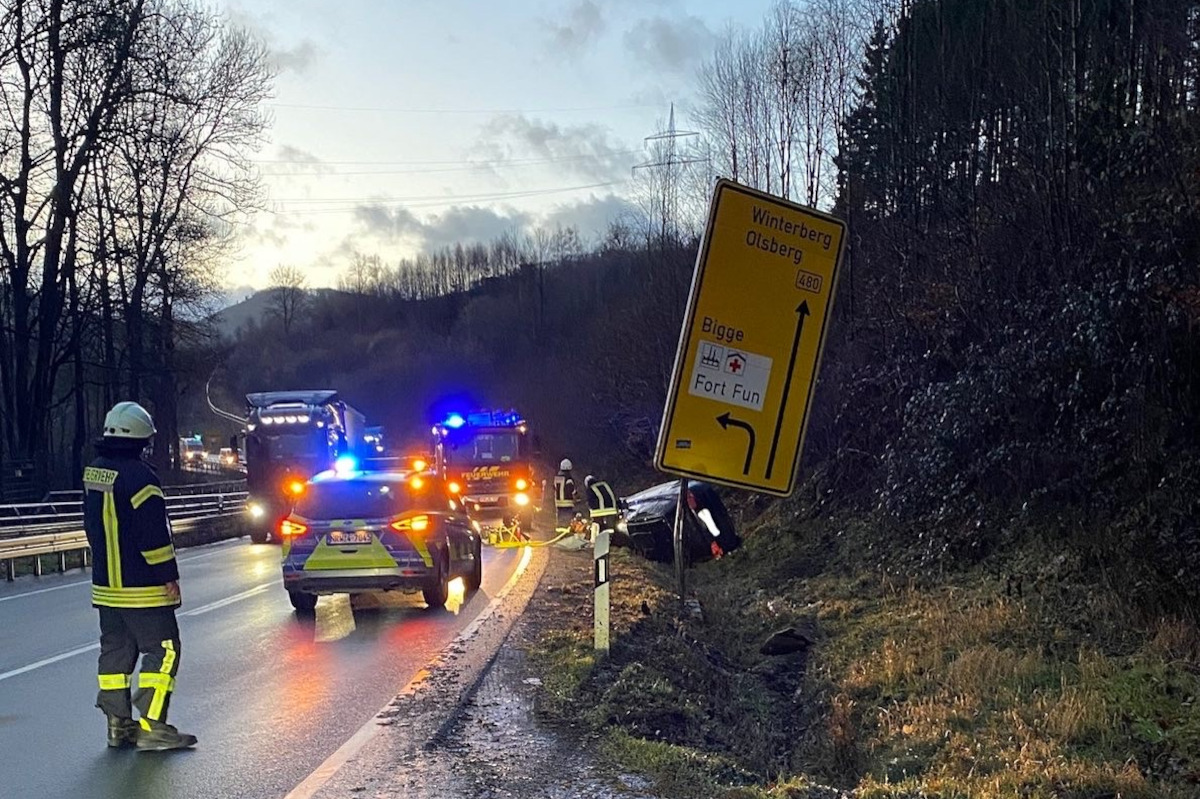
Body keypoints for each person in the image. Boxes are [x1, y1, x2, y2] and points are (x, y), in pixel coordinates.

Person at [83, 401, 197, 751]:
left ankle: (118, 726)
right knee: (163, 651)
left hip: (106, 588)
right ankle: (154, 726)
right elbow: (153, 535)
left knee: (115, 655)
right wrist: (168, 574)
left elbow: (91, 528)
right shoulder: (142, 479)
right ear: (141, 439)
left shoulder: (94, 473)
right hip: (143, 588)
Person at [585, 474, 620, 540]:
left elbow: (590, 501)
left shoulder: (590, 488)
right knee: (611, 529)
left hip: (599, 513)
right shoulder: (605, 485)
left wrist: (591, 510)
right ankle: (612, 541)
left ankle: (599, 543)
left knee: (598, 529)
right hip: (612, 510)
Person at [553, 458, 579, 532]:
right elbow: (572, 490)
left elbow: (554, 489)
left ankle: (558, 533)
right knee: (566, 520)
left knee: (559, 519)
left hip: (557, 503)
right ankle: (565, 533)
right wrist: (577, 497)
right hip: (567, 503)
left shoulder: (556, 478)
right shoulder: (569, 479)